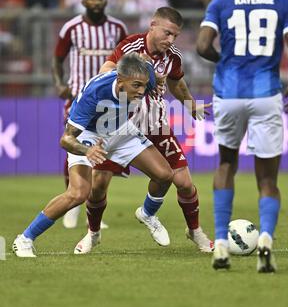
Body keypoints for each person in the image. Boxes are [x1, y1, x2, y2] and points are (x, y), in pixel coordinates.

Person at [74, 7, 213, 255]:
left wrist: (191, 104)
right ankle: (93, 233)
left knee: (183, 181)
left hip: (156, 124)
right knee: (98, 186)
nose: (170, 40)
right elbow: (105, 72)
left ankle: (187, 228)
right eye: (167, 33)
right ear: (152, 26)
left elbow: (176, 82)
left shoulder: (173, 56)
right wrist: (141, 71)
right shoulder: (130, 47)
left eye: (175, 36)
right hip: (120, 125)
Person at [196, 0, 288, 272]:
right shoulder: (282, 2)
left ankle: (221, 245)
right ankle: (266, 241)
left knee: (226, 164)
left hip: (228, 93)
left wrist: (225, 61)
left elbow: (201, 46)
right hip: (266, 92)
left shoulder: (221, 0)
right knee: (267, 178)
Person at [13, 54, 175, 258]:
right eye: (136, 86)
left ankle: (147, 214)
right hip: (88, 135)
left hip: (121, 130)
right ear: (120, 79)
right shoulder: (94, 93)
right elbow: (65, 140)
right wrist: (87, 150)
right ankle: (25, 239)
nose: (142, 91)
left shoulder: (142, 75)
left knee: (165, 175)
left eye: (144, 85)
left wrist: (159, 80)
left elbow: (148, 66)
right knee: (78, 194)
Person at [52, 0, 128, 229]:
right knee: (73, 146)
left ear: (105, 1)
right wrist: (58, 83)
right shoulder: (71, 27)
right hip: (77, 97)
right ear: (84, 2)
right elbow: (57, 58)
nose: (96, 2)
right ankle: (72, 202)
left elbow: (125, 60)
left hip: (109, 100)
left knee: (102, 148)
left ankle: (91, 209)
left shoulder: (117, 28)